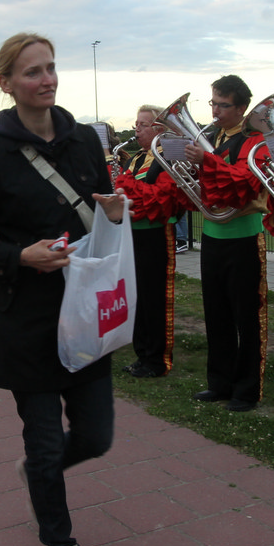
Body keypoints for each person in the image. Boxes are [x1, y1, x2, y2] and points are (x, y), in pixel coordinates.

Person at [0, 32, 127, 546]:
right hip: (25, 320)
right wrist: (20, 257)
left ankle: (36, 474)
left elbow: (101, 214)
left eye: (51, 68)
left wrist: (116, 214)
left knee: (97, 436)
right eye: (32, 72)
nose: (46, 79)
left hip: (84, 313)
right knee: (48, 444)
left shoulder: (84, 142)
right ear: (6, 83)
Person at [182, 74, 268, 412]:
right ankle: (219, 383)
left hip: (243, 236)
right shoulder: (213, 138)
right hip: (213, 235)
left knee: (246, 316)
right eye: (213, 103)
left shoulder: (254, 141)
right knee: (216, 313)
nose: (215, 111)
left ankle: (247, 389)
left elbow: (245, 181)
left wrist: (207, 161)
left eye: (223, 105)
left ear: (242, 108)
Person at [112, 104, 186, 378]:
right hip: (134, 231)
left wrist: (128, 189)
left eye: (143, 125)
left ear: (159, 129)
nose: (137, 130)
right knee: (138, 296)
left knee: (155, 297)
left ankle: (157, 360)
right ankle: (142, 354)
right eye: (136, 125)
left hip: (156, 232)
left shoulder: (168, 157)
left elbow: (163, 197)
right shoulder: (135, 158)